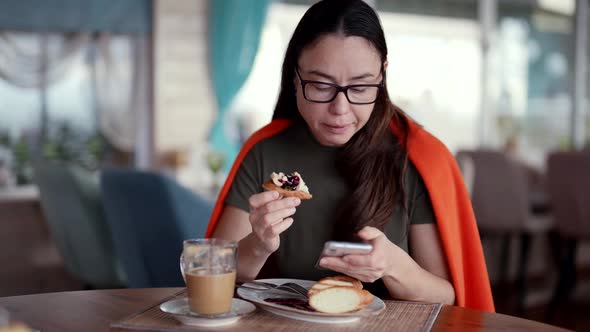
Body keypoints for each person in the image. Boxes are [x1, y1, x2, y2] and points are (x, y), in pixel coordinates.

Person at [206, 0, 494, 311]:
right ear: (294, 77)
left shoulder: (420, 159)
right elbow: (212, 272)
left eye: (359, 87)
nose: (340, 110)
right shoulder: (265, 151)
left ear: (382, 76)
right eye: (320, 85)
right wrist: (258, 245)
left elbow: (448, 298)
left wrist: (393, 265)